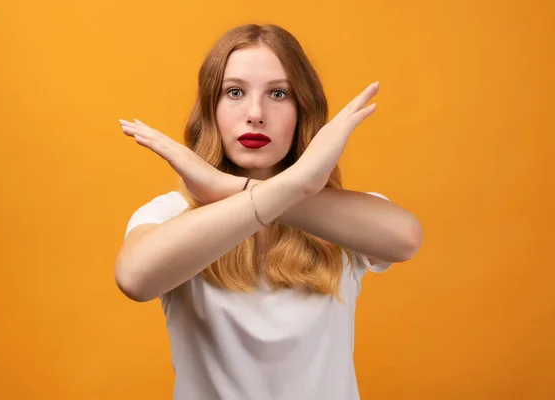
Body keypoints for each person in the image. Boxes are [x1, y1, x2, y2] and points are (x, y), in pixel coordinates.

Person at [116, 23, 422, 400]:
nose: (255, 113)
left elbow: (405, 238)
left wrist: (228, 187)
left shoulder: (338, 218)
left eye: (278, 93)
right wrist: (295, 184)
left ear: (302, 111)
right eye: (234, 92)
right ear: (211, 109)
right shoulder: (171, 213)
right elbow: (134, 279)